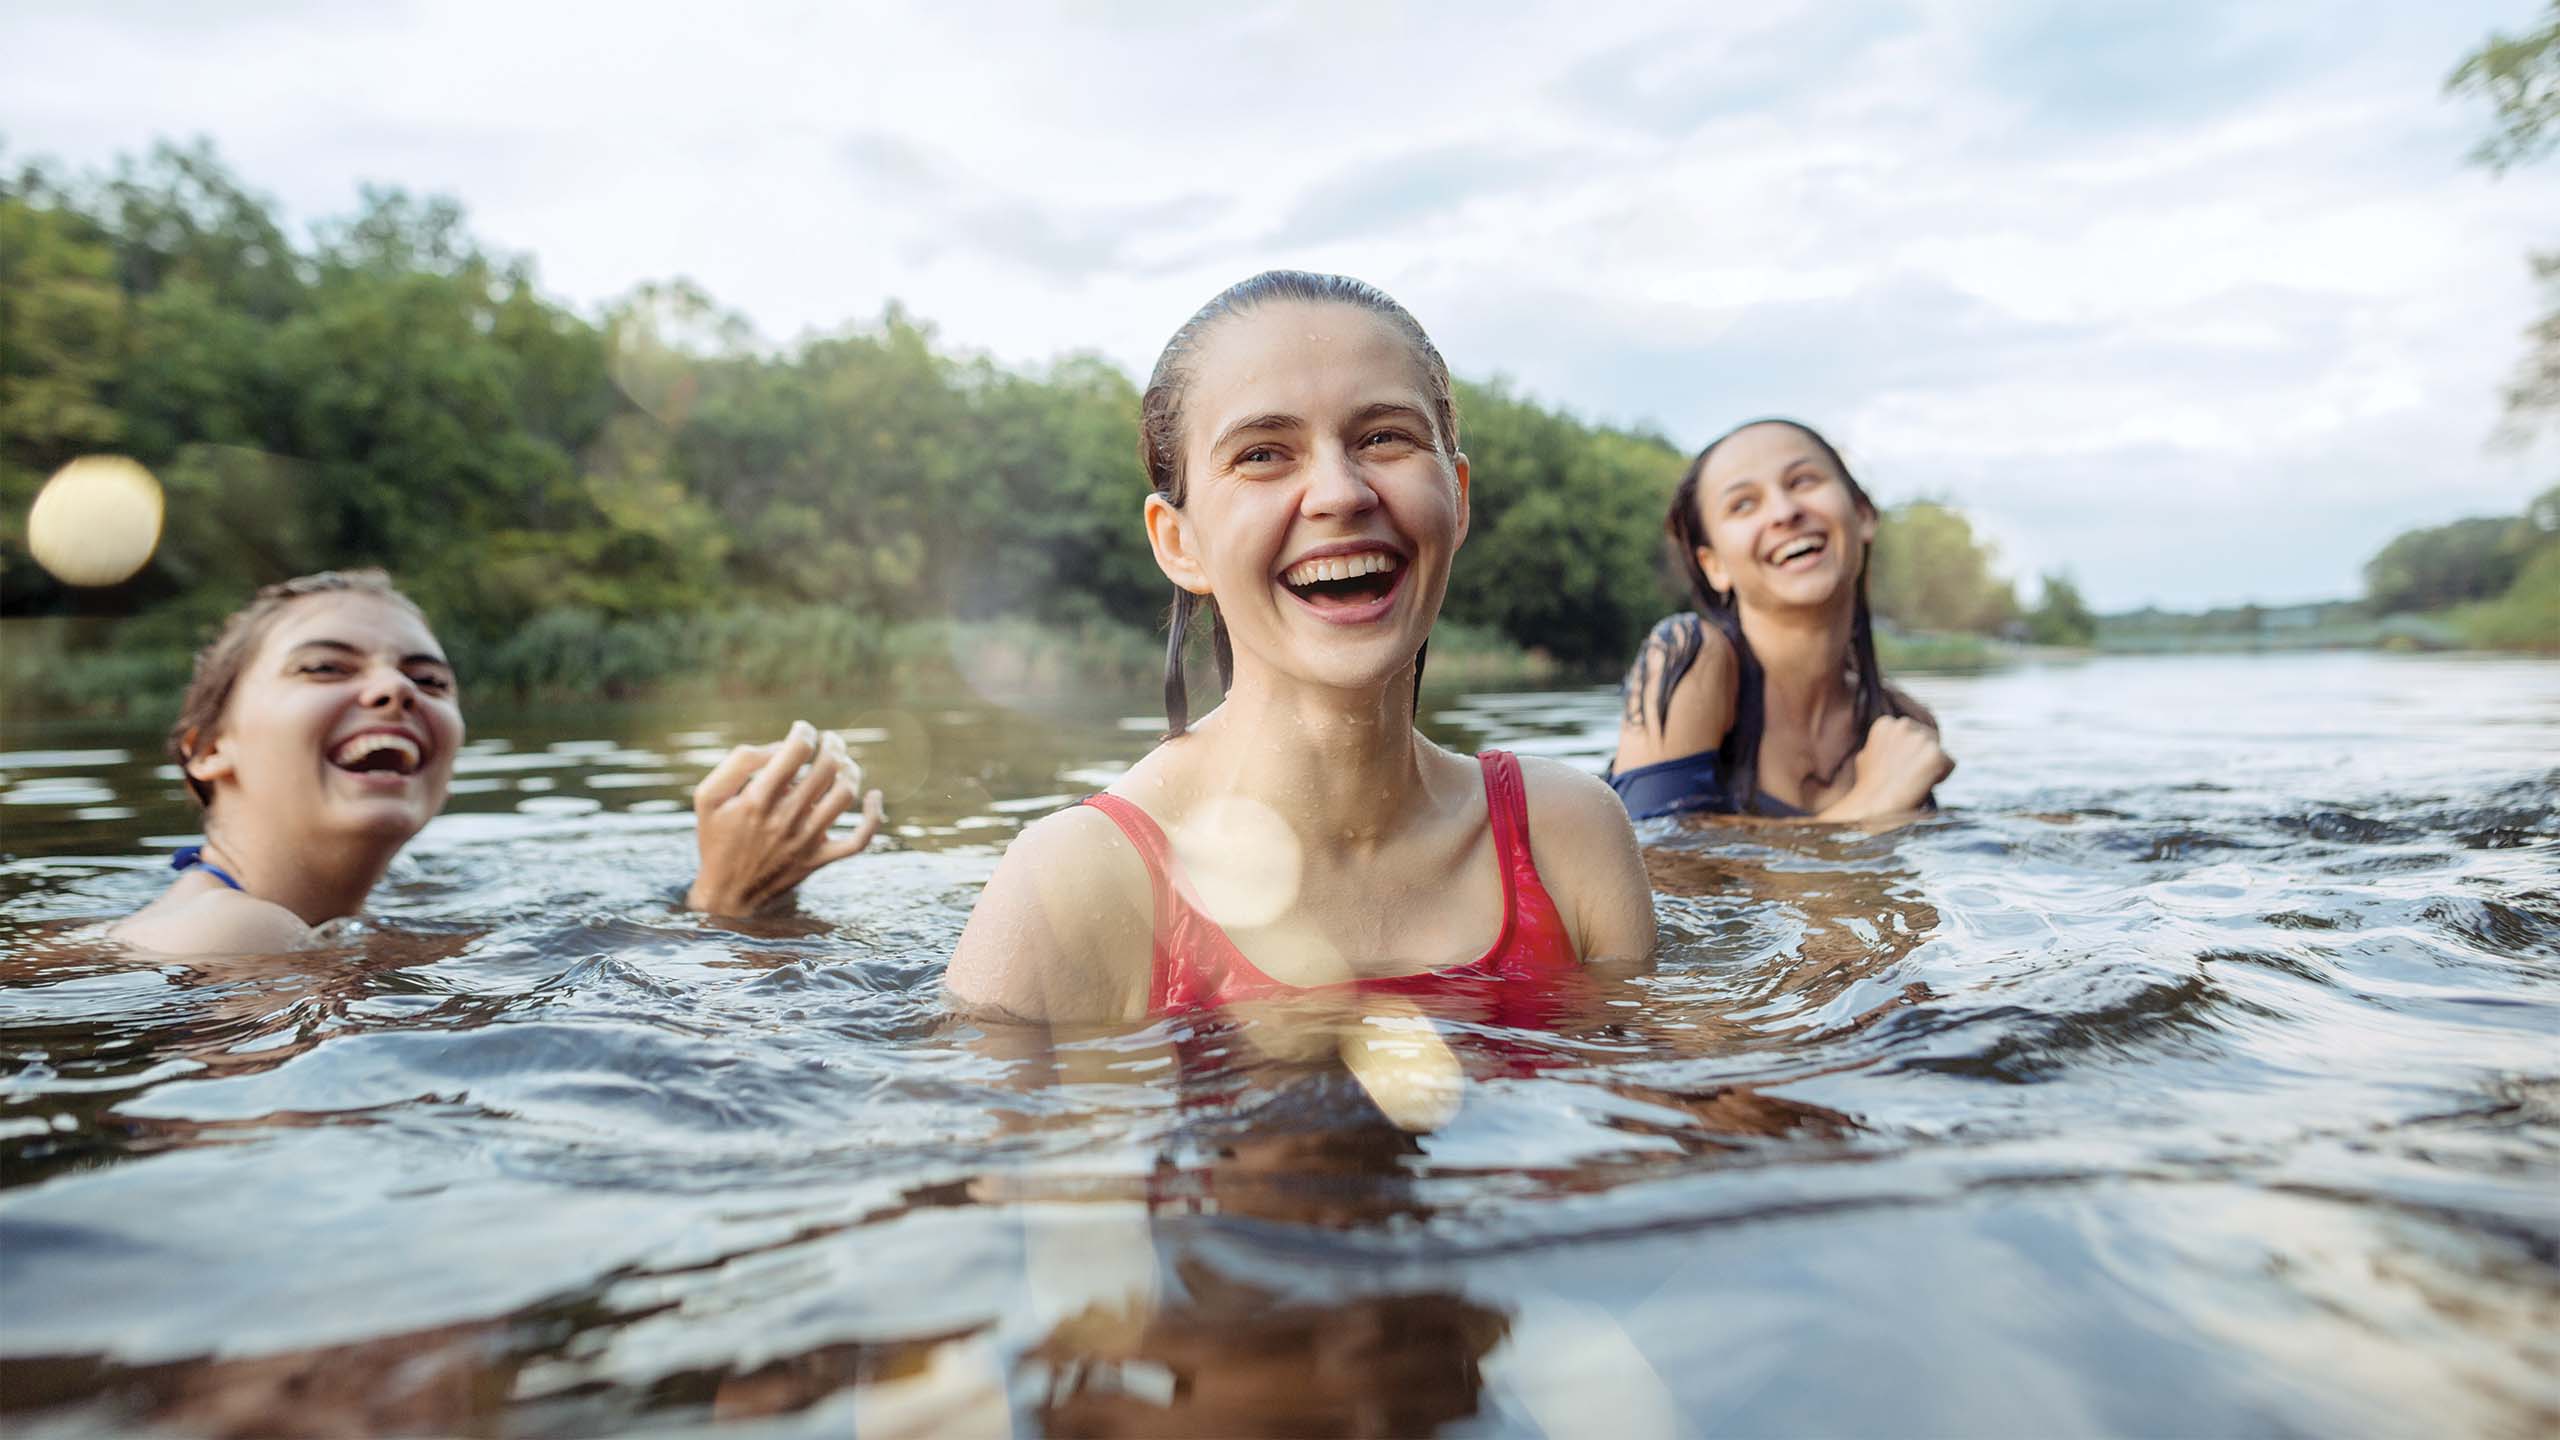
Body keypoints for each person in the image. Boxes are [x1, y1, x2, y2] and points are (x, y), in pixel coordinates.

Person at [945, 271, 1656, 1027]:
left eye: (1384, 437)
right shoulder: (1077, 885)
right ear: (1178, 542)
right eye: (1262, 453)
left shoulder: (1567, 837)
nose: (1340, 493)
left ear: (1459, 497)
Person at [107, 569, 882, 956]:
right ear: (208, 749)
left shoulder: (342, 921)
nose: (394, 691)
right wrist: (723, 910)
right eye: (325, 668)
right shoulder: (233, 935)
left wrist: (745, 897)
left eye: (429, 680)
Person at [1608, 419, 1953, 822]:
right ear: (1714, 565)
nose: (1785, 512)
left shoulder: (1903, 727)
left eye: (1804, 481)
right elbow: (1652, 871)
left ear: (1862, 514)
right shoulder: (1688, 659)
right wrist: (1870, 804)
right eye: (1743, 504)